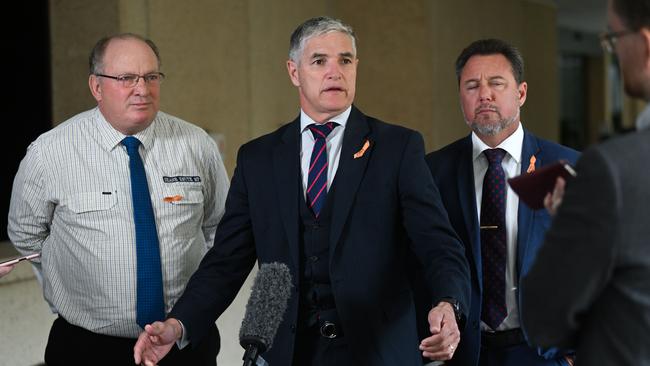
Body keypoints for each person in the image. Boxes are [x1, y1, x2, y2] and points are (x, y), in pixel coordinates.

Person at [134, 16, 471, 366]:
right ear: (294, 72)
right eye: (319, 61)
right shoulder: (258, 159)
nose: (334, 71)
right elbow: (226, 261)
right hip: (289, 354)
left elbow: (439, 244)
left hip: (378, 351)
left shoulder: (397, 148)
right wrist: (178, 323)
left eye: (345, 60)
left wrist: (449, 301)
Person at [7, 33, 229, 365]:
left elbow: (221, 232)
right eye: (126, 78)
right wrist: (68, 289)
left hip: (184, 344)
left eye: (151, 77)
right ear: (96, 87)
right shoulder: (50, 153)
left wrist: (195, 309)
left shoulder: (196, 145)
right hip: (87, 347)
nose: (142, 89)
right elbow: (27, 235)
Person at [425, 38, 578, 366]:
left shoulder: (566, 167)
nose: (484, 95)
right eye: (471, 86)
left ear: (520, 93)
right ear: (460, 97)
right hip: (464, 353)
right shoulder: (432, 172)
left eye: (496, 83)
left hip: (544, 354)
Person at [521, 1, 650, 364]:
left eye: (613, 38)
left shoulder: (612, 170)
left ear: (645, 43)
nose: (612, 52)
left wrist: (569, 223)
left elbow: (544, 319)